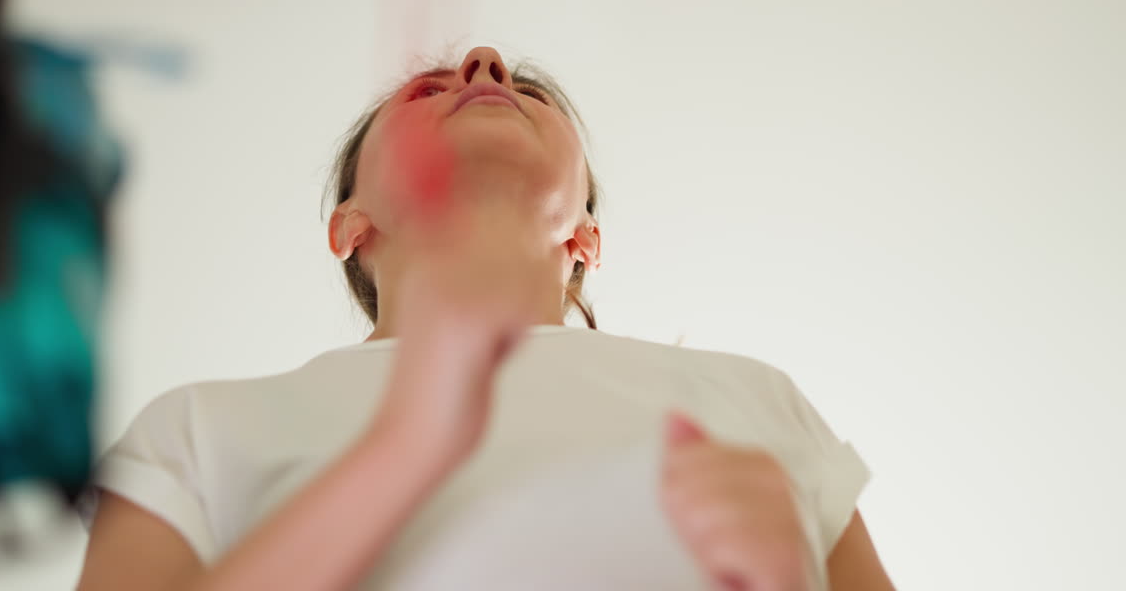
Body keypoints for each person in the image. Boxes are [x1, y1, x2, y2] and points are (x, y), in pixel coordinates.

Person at [75, 47, 896, 591]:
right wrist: (405, 447)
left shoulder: (759, 401)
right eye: (429, 90)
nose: (485, 62)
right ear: (350, 226)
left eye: (526, 92)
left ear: (585, 239)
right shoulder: (193, 433)